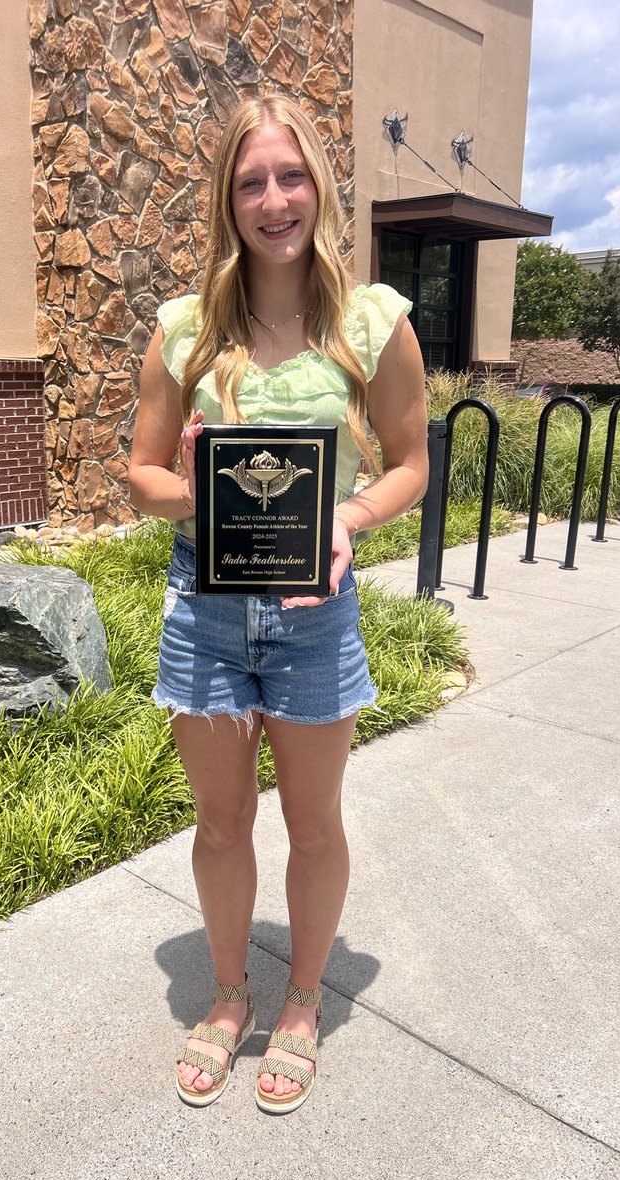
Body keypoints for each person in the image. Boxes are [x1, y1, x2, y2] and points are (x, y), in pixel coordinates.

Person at [128, 93, 427, 1114]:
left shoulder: (373, 323)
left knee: (313, 820)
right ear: (228, 199)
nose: (273, 199)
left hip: (314, 616)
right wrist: (197, 487)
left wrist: (350, 516)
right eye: (251, 181)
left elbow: (412, 464)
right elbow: (141, 475)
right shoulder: (184, 332)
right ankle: (227, 995)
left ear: (320, 189)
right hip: (206, 611)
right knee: (220, 824)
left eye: (290, 176)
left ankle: (301, 1000)